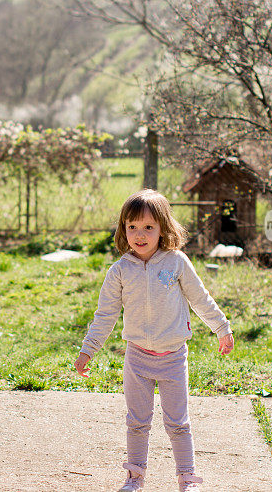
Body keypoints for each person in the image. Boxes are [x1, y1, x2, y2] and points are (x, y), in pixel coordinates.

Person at [74, 189, 234, 492]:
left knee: (178, 423)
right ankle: (134, 477)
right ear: (123, 229)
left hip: (173, 358)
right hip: (137, 359)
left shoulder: (176, 262)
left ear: (163, 228)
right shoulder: (120, 270)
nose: (140, 234)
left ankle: (187, 478)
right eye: (132, 227)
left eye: (148, 227)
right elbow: (105, 315)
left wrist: (221, 328)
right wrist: (87, 350)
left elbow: (200, 299)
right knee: (136, 422)